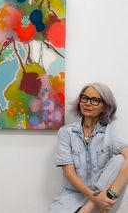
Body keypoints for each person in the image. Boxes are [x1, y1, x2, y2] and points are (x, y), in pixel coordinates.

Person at [48, 82, 128, 213]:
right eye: (84, 98)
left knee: (121, 158)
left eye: (95, 100)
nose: (88, 103)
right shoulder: (66, 133)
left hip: (103, 194)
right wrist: (96, 198)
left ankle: (87, 208)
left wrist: (109, 195)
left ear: (105, 107)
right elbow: (70, 173)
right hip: (73, 194)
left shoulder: (109, 133)